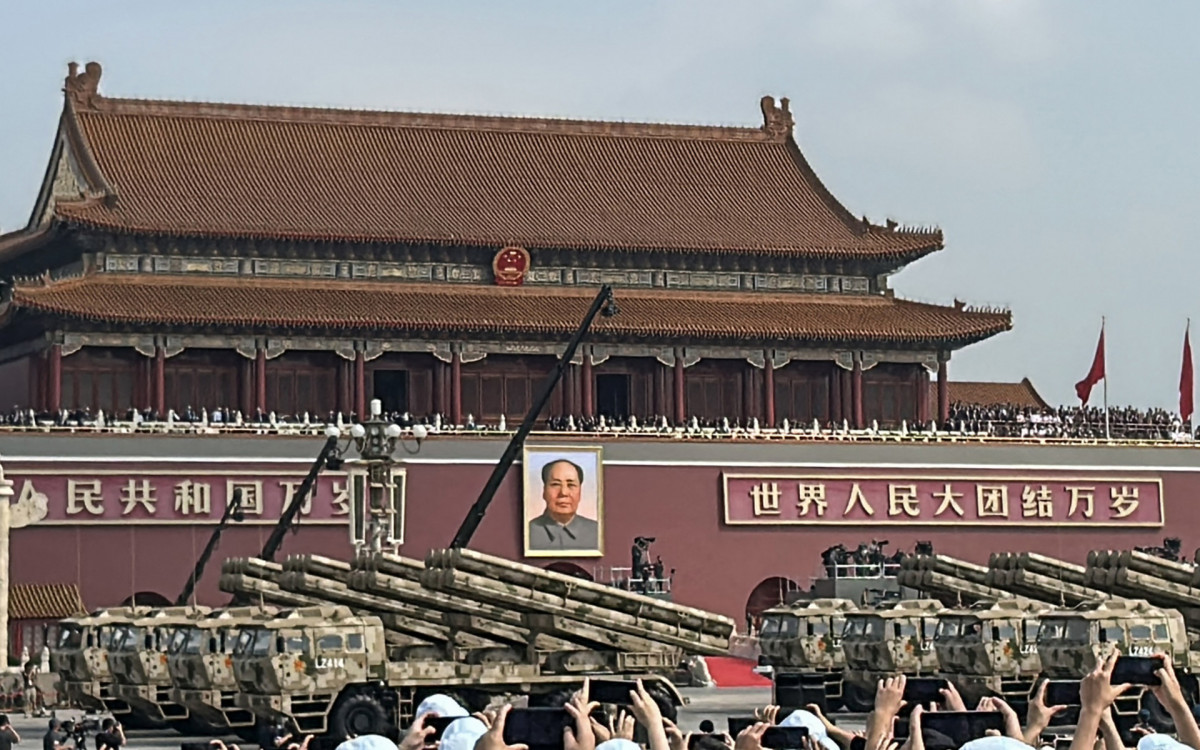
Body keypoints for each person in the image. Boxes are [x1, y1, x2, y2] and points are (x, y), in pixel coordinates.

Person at [527, 458, 599, 552]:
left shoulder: (597, 532)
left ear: (580, 492)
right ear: (544, 491)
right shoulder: (528, 532)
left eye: (571, 485)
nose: (563, 492)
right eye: (555, 484)